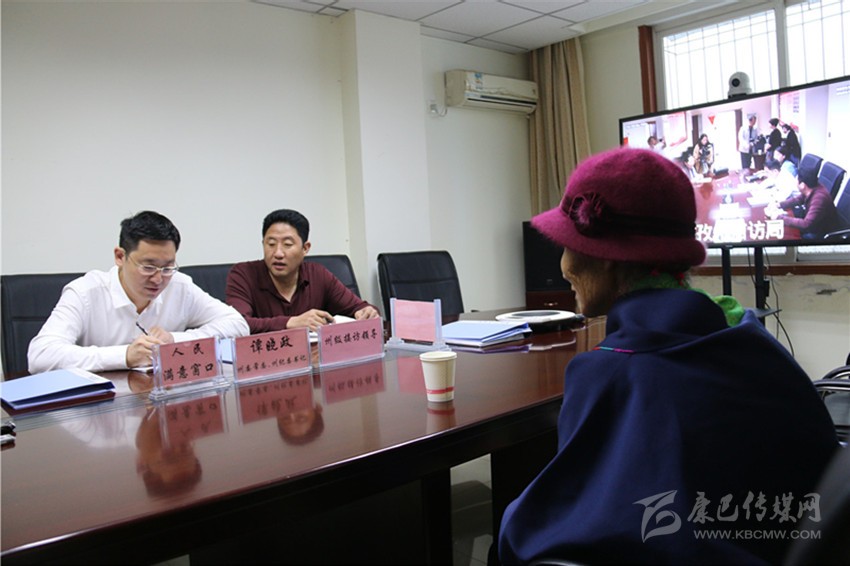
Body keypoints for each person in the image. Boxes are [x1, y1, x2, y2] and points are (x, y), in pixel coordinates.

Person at [495, 148, 839, 565]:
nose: (564, 265)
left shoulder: (609, 369)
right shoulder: (751, 338)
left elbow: (570, 517)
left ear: (606, 258)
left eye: (569, 245)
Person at [28, 211, 249, 374]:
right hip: (101, 409)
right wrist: (124, 356)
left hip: (163, 403)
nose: (158, 279)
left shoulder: (180, 286)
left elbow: (238, 325)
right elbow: (40, 356)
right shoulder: (85, 293)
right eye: (148, 267)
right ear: (120, 256)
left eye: (167, 267)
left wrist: (175, 340)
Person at [226, 209, 380, 334]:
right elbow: (237, 324)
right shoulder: (243, 275)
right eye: (271, 244)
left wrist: (366, 312)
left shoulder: (318, 274)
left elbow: (358, 307)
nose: (278, 253)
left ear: (305, 248)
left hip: (313, 360)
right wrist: (291, 322)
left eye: (287, 244)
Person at [772, 162, 844, 239]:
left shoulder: (819, 199)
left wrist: (779, 218)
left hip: (821, 232)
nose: (795, 182)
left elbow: (806, 224)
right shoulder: (812, 187)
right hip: (813, 221)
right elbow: (798, 199)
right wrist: (779, 205)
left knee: (787, 236)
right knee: (788, 220)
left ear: (802, 185)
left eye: (797, 180)